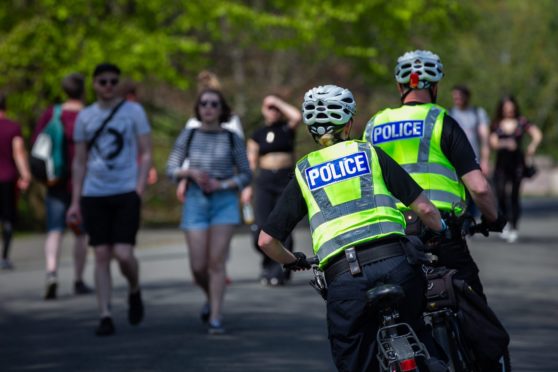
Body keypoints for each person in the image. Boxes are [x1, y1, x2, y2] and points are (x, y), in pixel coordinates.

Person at [259, 85, 447, 372]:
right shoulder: (369, 153)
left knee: (355, 358)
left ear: (310, 129)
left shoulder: (304, 171)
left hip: (345, 278)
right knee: (418, 329)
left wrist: (293, 261)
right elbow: (424, 208)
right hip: (398, 263)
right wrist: (440, 230)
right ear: (349, 123)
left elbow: (266, 241)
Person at [363, 50, 508, 370]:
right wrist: (493, 218)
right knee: (474, 311)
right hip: (441, 229)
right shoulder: (440, 120)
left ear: (400, 86)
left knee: (399, 313)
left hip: (392, 235)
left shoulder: (374, 125)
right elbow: (479, 187)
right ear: (436, 86)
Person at [67, 63, 152, 336]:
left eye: (113, 81)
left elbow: (146, 152)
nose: (108, 86)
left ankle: (134, 289)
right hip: (94, 193)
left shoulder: (133, 112)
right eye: (103, 81)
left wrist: (139, 187)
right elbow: (79, 161)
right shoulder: (85, 117)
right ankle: (105, 315)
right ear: (93, 84)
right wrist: (75, 200)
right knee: (101, 254)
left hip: (126, 190)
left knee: (124, 255)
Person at [166, 88, 251, 335]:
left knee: (216, 262)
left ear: (222, 109)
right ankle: (209, 297)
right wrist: (189, 172)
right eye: (204, 103)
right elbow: (170, 168)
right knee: (198, 266)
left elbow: (246, 174)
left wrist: (222, 184)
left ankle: (216, 316)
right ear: (198, 108)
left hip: (223, 201)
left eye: (214, 104)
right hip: (195, 200)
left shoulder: (232, 137)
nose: (209, 108)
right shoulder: (188, 135)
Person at [32, 73, 92, 299]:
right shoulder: (88, 115)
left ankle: (51, 272)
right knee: (80, 233)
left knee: (54, 230)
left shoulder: (53, 113)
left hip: (54, 180)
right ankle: (78, 279)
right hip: (83, 183)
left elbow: (38, 144)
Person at [242, 94, 301, 286]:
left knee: (282, 227)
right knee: (260, 226)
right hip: (265, 181)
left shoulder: (287, 128)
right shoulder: (257, 134)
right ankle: (268, 265)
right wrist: (247, 187)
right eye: (269, 107)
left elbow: (296, 116)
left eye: (275, 108)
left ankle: (280, 271)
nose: (273, 110)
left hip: (284, 178)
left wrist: (276, 101)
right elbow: (250, 162)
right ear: (262, 110)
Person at [490, 95, 542, 243]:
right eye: (506, 109)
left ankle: (514, 226)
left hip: (517, 164)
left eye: (511, 109)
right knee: (500, 193)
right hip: (501, 164)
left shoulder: (521, 122)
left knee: (514, 195)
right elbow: (493, 142)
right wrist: (505, 143)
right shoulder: (497, 124)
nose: (509, 112)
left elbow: (537, 134)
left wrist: (532, 146)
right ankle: (504, 223)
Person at [449, 85, 490, 218]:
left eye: (460, 96)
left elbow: (485, 139)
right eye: (455, 97)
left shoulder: (477, 113)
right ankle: (461, 220)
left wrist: (485, 160)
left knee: (475, 191)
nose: (457, 99)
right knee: (459, 193)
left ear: (467, 97)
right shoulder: (449, 114)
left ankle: (471, 220)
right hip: (454, 161)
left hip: (473, 159)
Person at [0, 92, 31, 270]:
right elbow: (18, 151)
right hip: (7, 178)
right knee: (7, 218)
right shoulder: (12, 127)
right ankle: (4, 256)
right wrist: (25, 175)